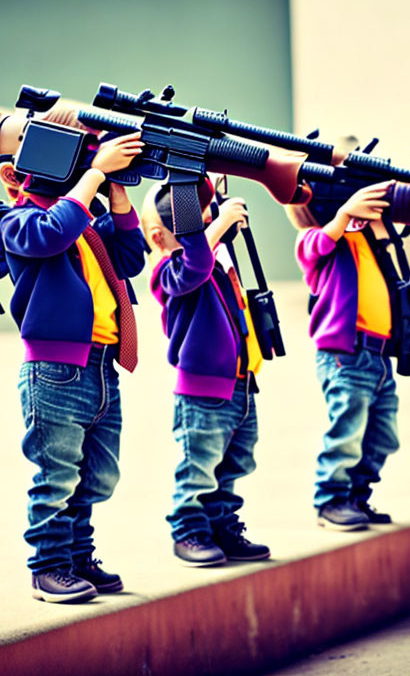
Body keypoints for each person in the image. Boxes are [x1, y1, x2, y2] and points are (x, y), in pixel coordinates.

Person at [0, 132, 146, 602]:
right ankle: (49, 566)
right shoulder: (16, 220)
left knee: (98, 475)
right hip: (54, 369)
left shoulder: (87, 223)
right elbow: (47, 234)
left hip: (102, 366)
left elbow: (132, 258)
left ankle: (79, 556)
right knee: (56, 476)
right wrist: (95, 173)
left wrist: (116, 192)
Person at [142, 178, 271, 566]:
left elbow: (211, 247)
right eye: (194, 227)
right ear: (159, 236)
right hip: (202, 389)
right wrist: (210, 229)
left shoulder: (216, 257)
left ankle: (220, 525)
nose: (206, 230)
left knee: (233, 463)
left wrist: (213, 198)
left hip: (240, 384)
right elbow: (196, 261)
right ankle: (189, 531)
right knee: (198, 466)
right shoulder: (169, 272)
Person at [289, 181, 401, 530]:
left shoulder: (364, 237)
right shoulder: (314, 238)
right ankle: (331, 500)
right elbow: (319, 243)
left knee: (383, 435)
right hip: (345, 354)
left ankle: (356, 496)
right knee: (347, 432)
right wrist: (344, 214)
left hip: (379, 356)